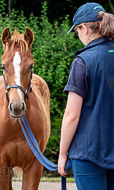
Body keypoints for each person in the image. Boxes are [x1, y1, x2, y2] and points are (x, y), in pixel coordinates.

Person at [58, 2, 114, 190]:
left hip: (88, 154)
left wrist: (62, 153)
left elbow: (71, 116)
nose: (78, 36)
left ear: (84, 28)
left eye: (77, 31)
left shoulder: (82, 61)